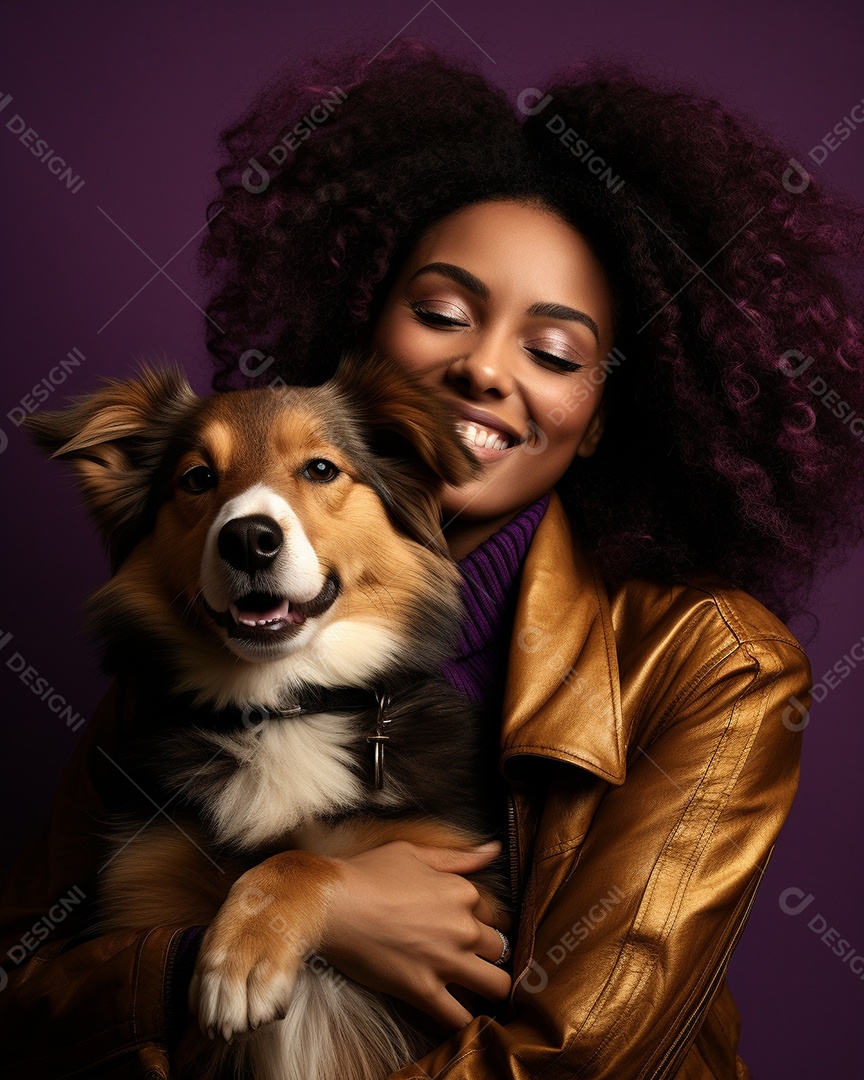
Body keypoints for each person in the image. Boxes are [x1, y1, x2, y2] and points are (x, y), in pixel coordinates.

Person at [2, 38, 863, 1080]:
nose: (485, 368)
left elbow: (577, 1058)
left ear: (598, 421)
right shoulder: (211, 613)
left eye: (554, 353)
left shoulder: (713, 664)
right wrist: (282, 922)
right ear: (366, 334)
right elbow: (26, 994)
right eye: (443, 314)